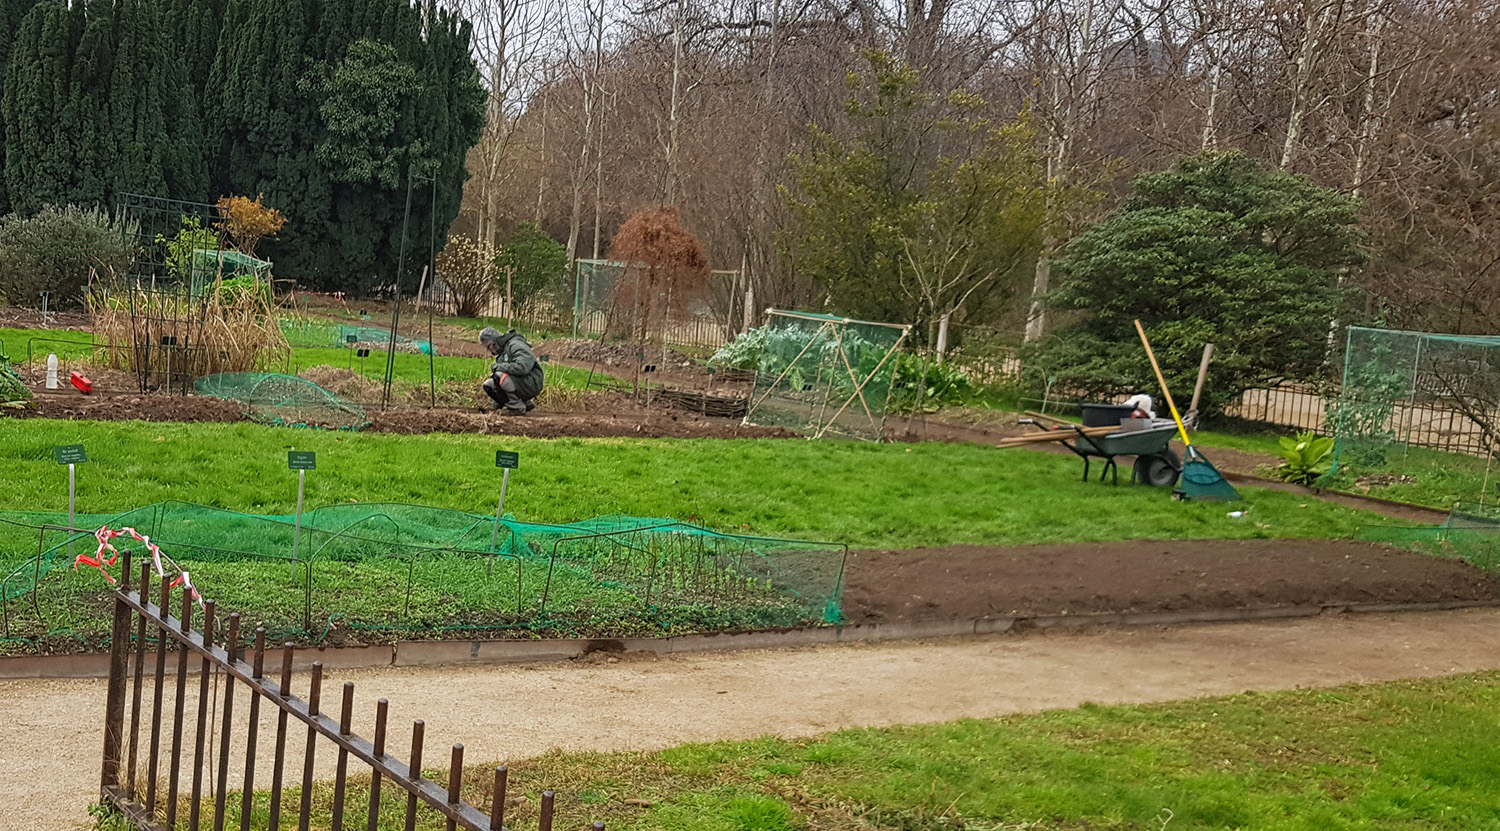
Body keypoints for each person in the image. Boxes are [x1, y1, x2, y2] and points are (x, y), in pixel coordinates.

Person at [479, 327, 545, 414]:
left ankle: (517, 408)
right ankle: (524, 404)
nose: (489, 350)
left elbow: (523, 367)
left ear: (493, 343)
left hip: (532, 382)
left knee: (500, 376)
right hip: (521, 382)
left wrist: (498, 366)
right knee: (489, 384)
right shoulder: (502, 353)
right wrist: (495, 406)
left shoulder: (515, 345)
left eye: (488, 347)